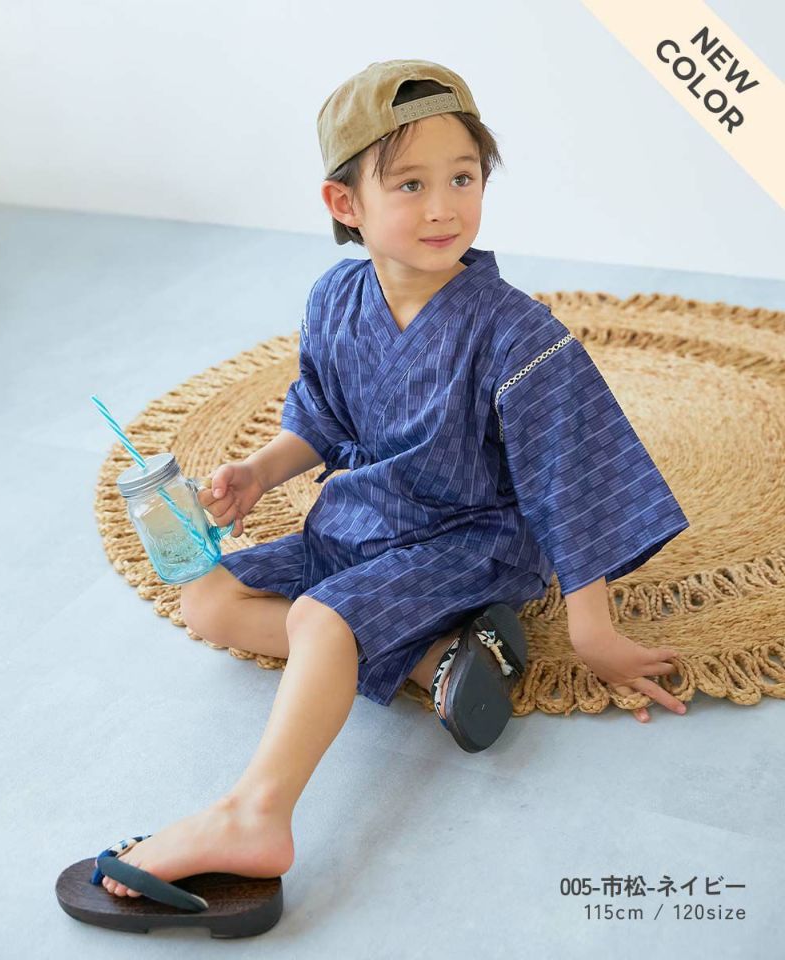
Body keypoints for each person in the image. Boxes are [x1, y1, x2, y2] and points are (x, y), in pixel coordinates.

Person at [98, 59, 690, 899]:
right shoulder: (336, 298)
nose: (444, 207)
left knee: (321, 619)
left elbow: (571, 473)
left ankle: (254, 814)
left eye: (463, 178)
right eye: (410, 184)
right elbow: (322, 414)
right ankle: (432, 660)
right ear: (346, 203)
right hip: (365, 521)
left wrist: (590, 628)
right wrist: (261, 472)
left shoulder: (520, 334)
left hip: (473, 538)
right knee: (209, 599)